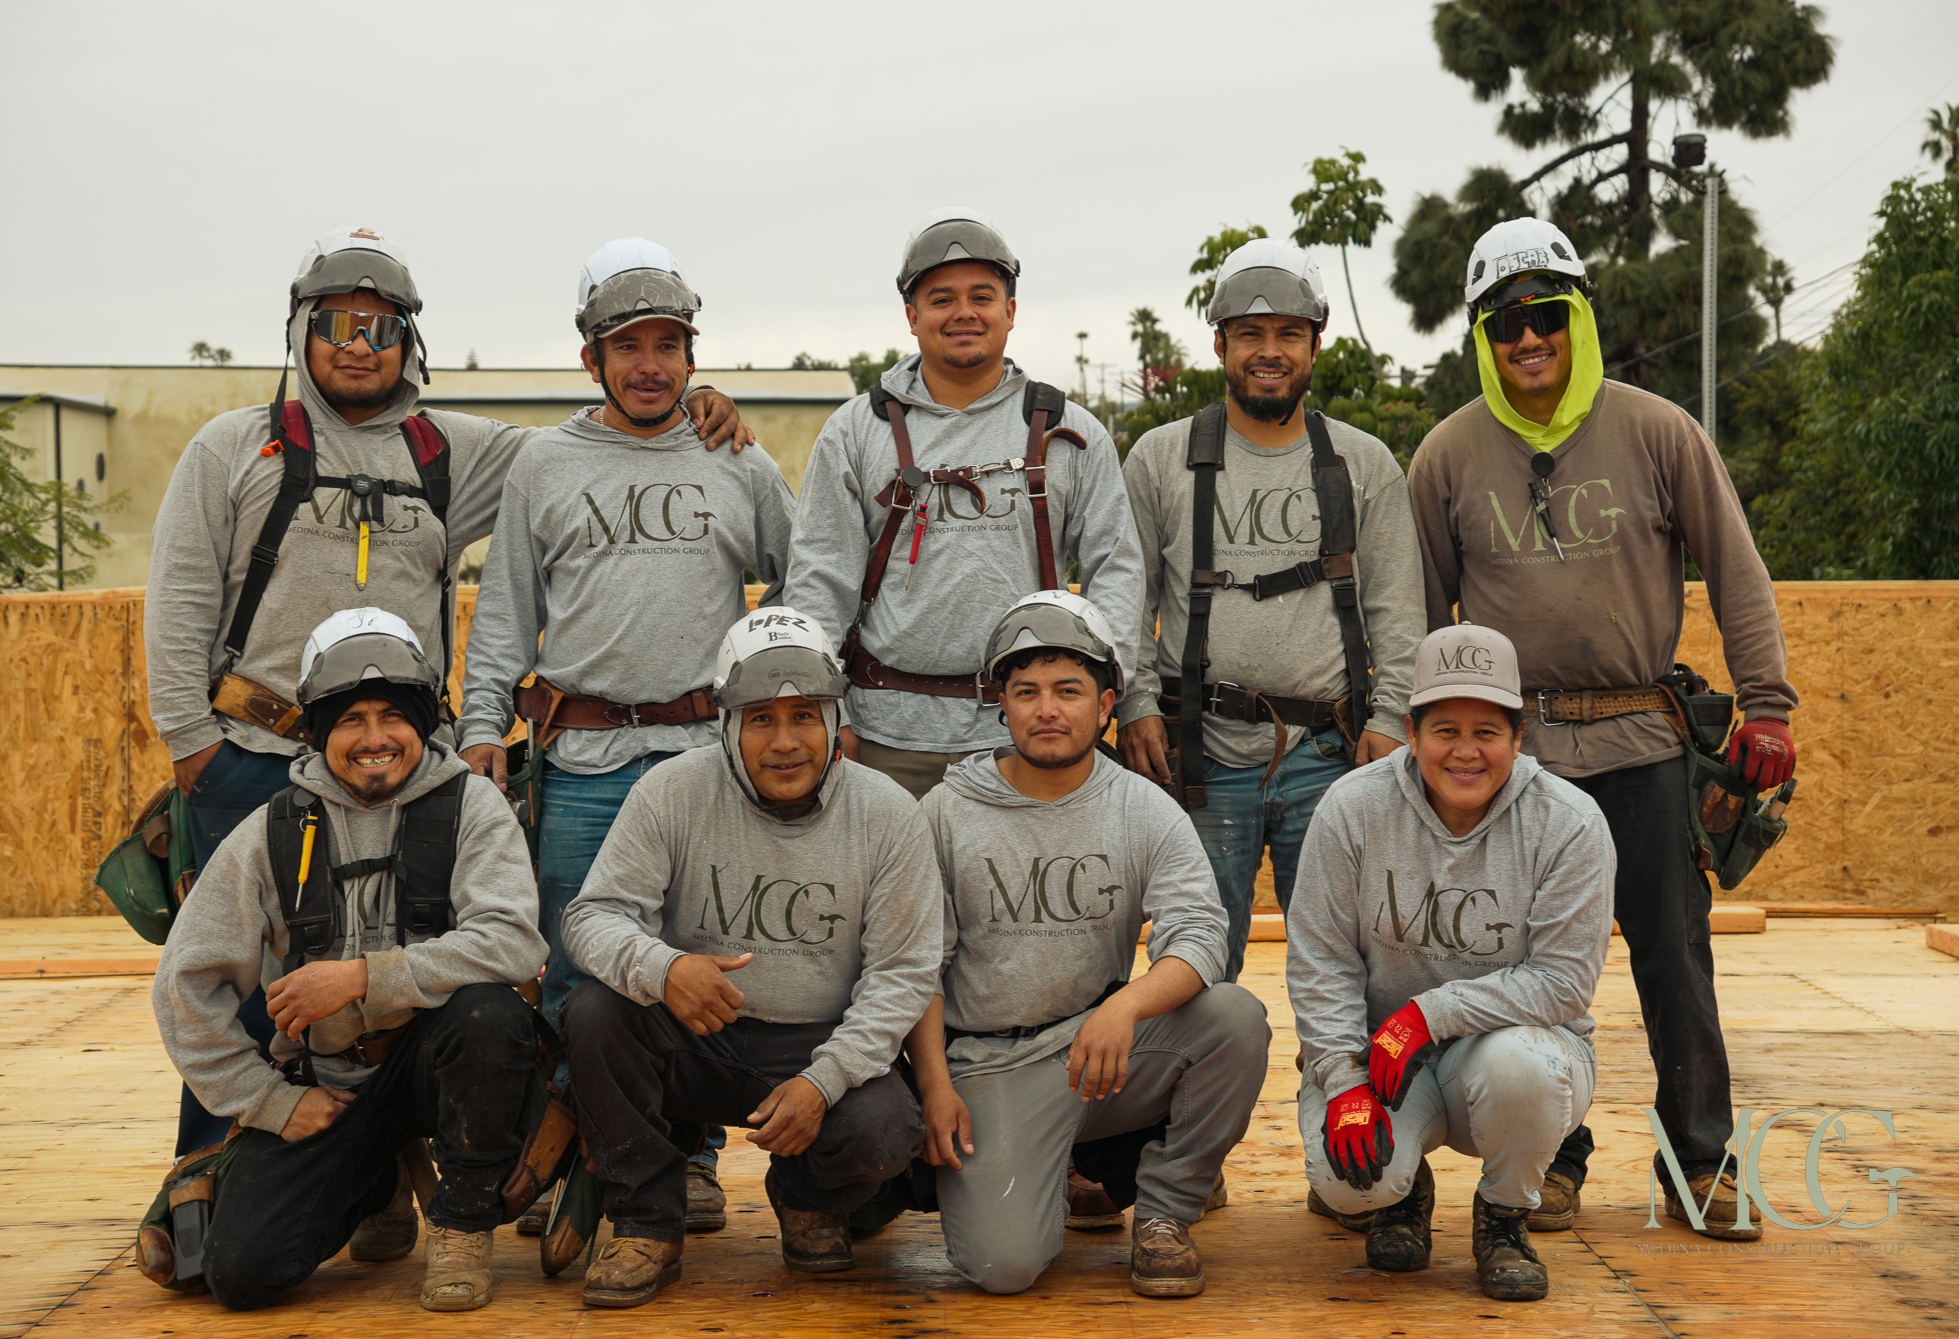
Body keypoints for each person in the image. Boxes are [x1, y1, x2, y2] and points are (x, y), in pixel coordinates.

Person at [143, 226, 747, 1155]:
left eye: (382, 328)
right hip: (257, 756)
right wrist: (194, 744)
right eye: (338, 323)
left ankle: (382, 1171)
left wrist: (692, 402)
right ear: (300, 331)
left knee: (400, 975)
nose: (359, 344)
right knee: (248, 978)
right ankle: (215, 1175)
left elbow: (599, 444)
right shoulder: (231, 448)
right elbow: (180, 598)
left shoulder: (449, 452)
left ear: (409, 342)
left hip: (400, 767)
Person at [1407, 218, 1798, 1240]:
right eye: (1505, 324)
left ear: (1578, 316)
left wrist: (1767, 704)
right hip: (1515, 759)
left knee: (1674, 957)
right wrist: (1423, 740)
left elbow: (1737, 568)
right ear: (1484, 338)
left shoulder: (1659, 431)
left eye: (1546, 314)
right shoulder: (1447, 456)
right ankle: (1550, 1160)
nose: (1528, 338)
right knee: (1520, 965)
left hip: (1642, 742)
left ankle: (1698, 1162)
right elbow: (1421, 619)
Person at [458, 239, 794, 1232]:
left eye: (669, 345)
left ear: (692, 355)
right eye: (629, 346)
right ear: (590, 357)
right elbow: (506, 610)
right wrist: (482, 726)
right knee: (579, 963)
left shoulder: (735, 458)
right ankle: (586, 1161)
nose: (650, 364)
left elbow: (809, 572)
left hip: (704, 761)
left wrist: (783, 704)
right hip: (583, 758)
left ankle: (686, 1160)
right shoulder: (546, 464)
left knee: (699, 957)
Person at [149, 608, 547, 1312]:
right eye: (350, 720)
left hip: (438, 1068)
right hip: (330, 1087)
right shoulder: (269, 830)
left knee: (489, 1017)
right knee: (243, 1274)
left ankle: (461, 1222)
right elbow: (185, 984)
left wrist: (362, 977)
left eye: (392, 716)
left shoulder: (473, 807)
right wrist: (270, 1101)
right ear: (317, 729)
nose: (374, 739)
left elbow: (513, 941)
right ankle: (375, 1179)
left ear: (422, 721)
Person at [558, 610, 941, 1309]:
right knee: (593, 1011)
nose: (785, 741)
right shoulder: (669, 790)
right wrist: (664, 967)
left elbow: (904, 973)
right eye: (761, 717)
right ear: (726, 724)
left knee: (886, 1130)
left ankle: (805, 1196)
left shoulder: (888, 813)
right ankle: (645, 1221)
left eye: (805, 716)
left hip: (815, 1041)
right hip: (695, 1034)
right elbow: (589, 918)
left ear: (835, 719)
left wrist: (823, 1081)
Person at [907, 591, 1268, 1297]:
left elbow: (1200, 932)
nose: (1048, 709)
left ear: (1106, 705)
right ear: (1002, 705)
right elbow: (915, 964)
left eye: (1068, 691)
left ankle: (1165, 1212)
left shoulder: (1142, 806)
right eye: (1027, 692)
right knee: (1004, 1267)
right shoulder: (945, 813)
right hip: (990, 1063)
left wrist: (1125, 1006)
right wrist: (936, 1086)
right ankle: (1045, 1173)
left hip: (1098, 1053)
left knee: (1234, 1019)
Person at [1117, 238, 1425, 981]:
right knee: (1191, 963)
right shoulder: (1159, 459)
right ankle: (1197, 1065)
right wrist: (1133, 703)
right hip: (1200, 754)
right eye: (1249, 333)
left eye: (1289, 333)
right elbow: (1125, 598)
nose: (1269, 351)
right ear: (1219, 343)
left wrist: (1390, 720)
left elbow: (1399, 612)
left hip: (1330, 757)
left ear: (1316, 345)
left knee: (1347, 965)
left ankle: (1346, 1069)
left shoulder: (1363, 464)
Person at [1286, 623, 1614, 1303]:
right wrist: (1343, 1081)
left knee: (1521, 1067)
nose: (1466, 751)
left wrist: (1428, 1014)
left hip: (1507, 1054)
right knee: (1349, 1184)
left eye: (1487, 731)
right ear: (1411, 733)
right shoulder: (1351, 808)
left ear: (1518, 738)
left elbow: (1563, 983)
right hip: (1381, 1057)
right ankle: (1402, 1193)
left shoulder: (1569, 821)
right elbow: (1320, 960)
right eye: (1445, 730)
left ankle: (1504, 1215)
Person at [784, 208, 1144, 800]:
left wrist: (1104, 690)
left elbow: (1117, 568)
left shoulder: (1070, 431)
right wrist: (825, 709)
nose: (964, 313)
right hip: (884, 739)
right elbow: (820, 580)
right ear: (912, 316)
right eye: (941, 299)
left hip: (1025, 737)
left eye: (982, 296)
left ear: (1010, 310)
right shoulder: (855, 432)